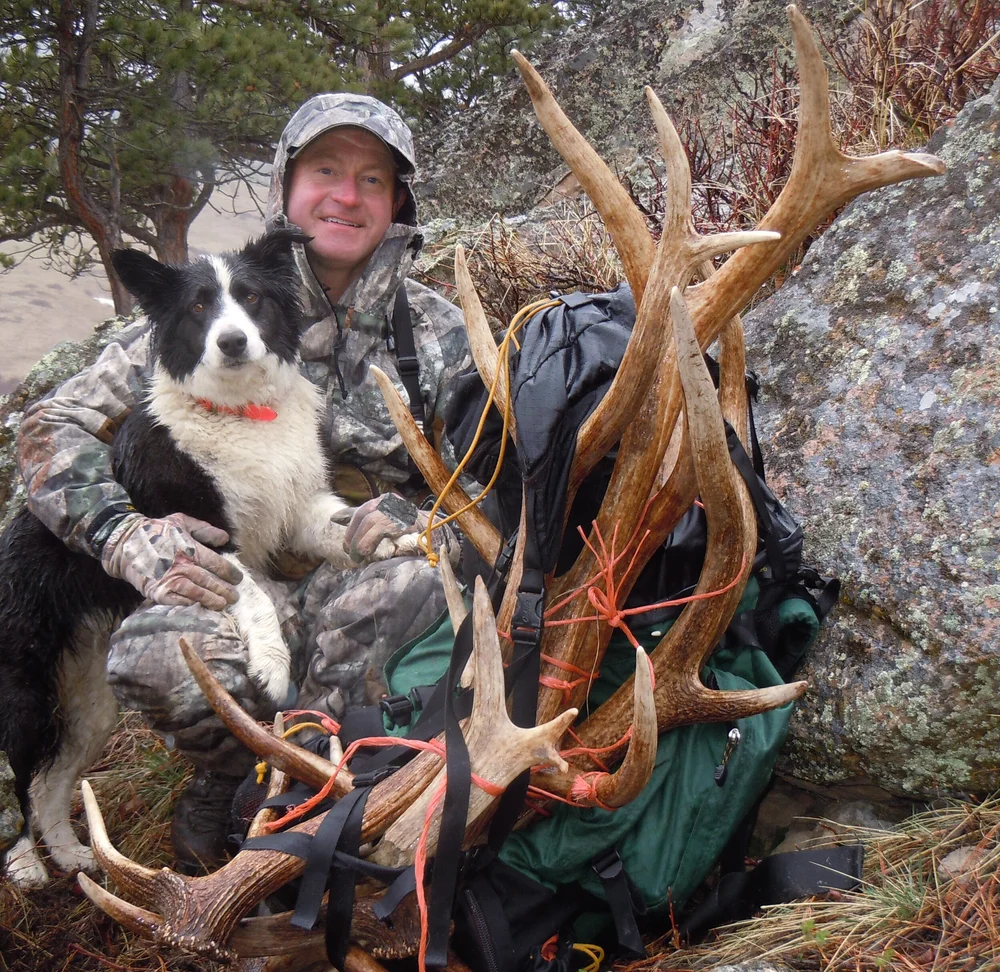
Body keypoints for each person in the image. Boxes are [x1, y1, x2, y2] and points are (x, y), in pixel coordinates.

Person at [16, 94, 472, 872]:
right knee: (156, 652)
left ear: (397, 201)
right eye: (325, 170)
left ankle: (329, 784)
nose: (346, 194)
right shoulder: (198, 307)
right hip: (224, 583)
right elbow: (45, 429)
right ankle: (224, 780)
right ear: (287, 186)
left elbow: (476, 479)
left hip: (352, 589)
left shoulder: (434, 331)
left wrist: (398, 523)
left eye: (372, 179)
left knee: (414, 583)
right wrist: (126, 539)